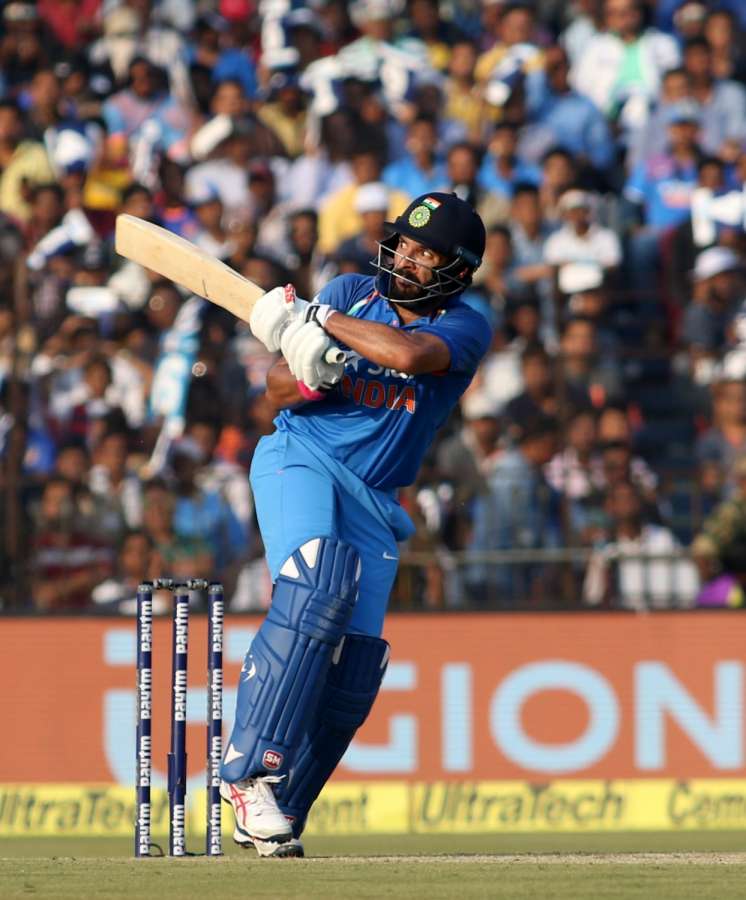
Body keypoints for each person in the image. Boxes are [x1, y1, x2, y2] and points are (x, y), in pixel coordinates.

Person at [220, 192, 489, 857]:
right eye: (404, 244)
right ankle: (249, 776)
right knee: (317, 587)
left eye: (427, 254)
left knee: (357, 664)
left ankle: (284, 809)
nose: (408, 259)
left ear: (455, 270)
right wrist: (310, 367)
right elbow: (276, 392)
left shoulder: (466, 326)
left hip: (375, 496)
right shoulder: (350, 291)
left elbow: (405, 355)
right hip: (301, 457)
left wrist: (318, 320)